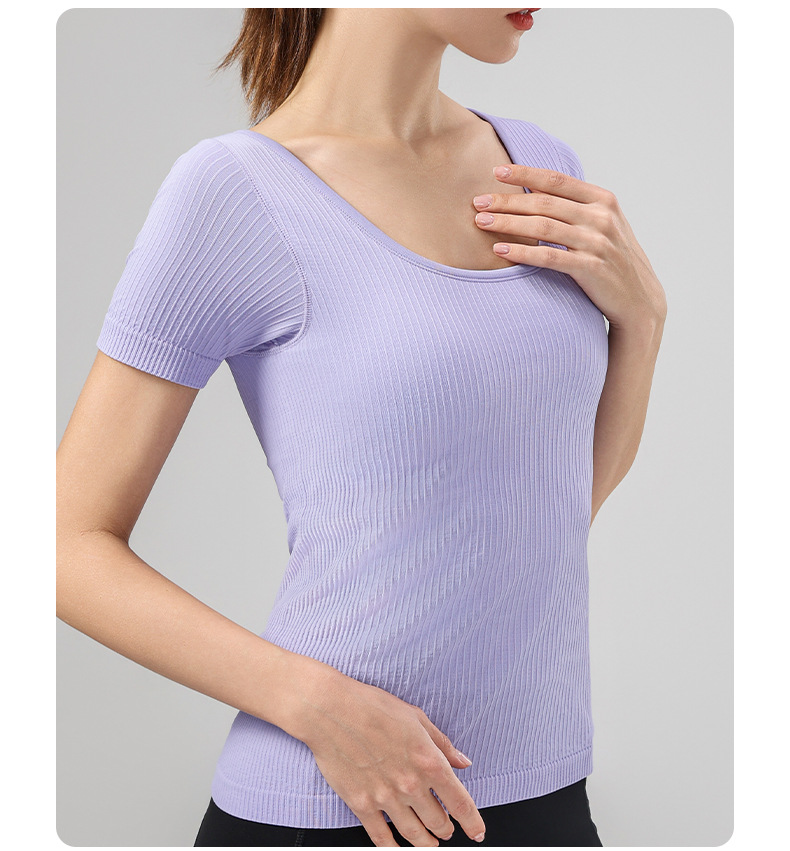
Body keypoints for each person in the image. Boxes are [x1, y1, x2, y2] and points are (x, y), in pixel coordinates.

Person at [56, 7, 667, 848]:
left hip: (546, 792)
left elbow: (547, 507)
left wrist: (644, 321)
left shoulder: (539, 170)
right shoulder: (233, 191)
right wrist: (317, 706)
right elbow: (61, 545)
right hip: (336, 805)